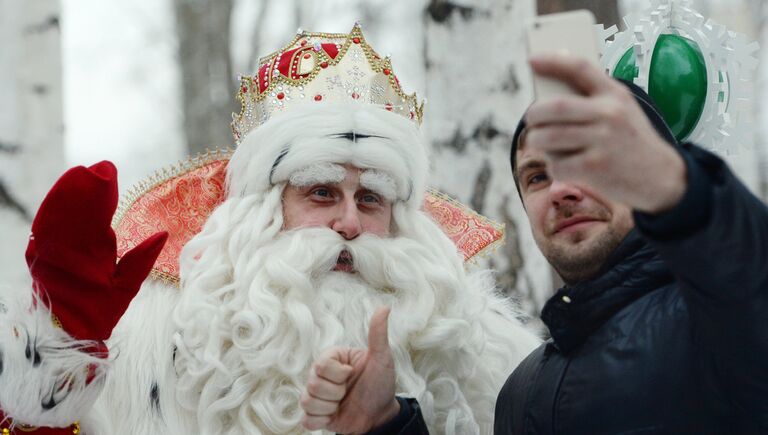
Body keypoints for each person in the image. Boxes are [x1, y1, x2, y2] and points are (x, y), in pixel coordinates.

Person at [0, 25, 539, 434]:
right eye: (321, 192)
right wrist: (52, 375)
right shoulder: (153, 346)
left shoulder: (484, 353)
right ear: (260, 211)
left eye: (370, 199)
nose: (349, 224)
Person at [305, 53, 768, 434]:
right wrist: (385, 424)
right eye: (537, 176)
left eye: (586, 160)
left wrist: (680, 187)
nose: (562, 190)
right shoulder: (523, 386)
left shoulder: (716, 320)